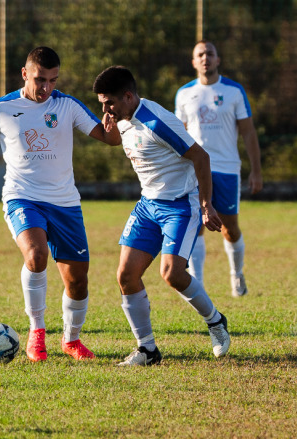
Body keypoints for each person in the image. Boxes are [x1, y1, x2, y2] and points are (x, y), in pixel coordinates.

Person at [0, 47, 121, 362]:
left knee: (77, 280)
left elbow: (109, 139)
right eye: (39, 79)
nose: (46, 87)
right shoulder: (2, 108)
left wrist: (114, 124)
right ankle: (37, 332)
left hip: (65, 203)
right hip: (22, 197)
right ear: (24, 74)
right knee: (36, 255)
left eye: (52, 80)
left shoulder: (67, 105)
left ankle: (71, 340)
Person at [92, 65, 230, 366]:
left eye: (109, 103)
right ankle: (147, 350)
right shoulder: (122, 118)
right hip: (148, 206)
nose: (105, 110)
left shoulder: (156, 122)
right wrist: (111, 127)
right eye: (102, 103)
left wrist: (206, 205)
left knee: (172, 274)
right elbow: (117, 139)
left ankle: (215, 321)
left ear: (128, 96)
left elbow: (201, 157)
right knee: (126, 275)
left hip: (180, 205)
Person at [175, 40, 262, 297]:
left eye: (210, 53)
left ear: (218, 59)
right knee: (196, 225)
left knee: (229, 228)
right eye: (200, 54)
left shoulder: (234, 91)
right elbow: (178, 136)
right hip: (194, 170)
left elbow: (248, 132)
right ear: (194, 62)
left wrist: (256, 170)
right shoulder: (184, 93)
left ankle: (237, 274)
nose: (205, 58)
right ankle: (198, 285)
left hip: (226, 170)